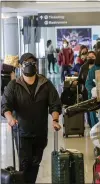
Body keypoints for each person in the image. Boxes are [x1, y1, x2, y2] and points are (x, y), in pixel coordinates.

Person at [1, 53, 62, 184]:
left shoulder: (45, 84)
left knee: (35, 163)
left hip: (40, 131)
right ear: (21, 67)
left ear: (37, 66)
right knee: (25, 164)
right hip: (22, 132)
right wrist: (10, 118)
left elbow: (55, 104)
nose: (29, 66)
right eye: (26, 63)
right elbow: (5, 105)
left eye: (32, 63)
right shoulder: (14, 85)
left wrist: (55, 120)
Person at [76, 51, 96, 128]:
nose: (90, 59)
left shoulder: (98, 67)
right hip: (86, 91)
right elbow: (80, 79)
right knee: (88, 108)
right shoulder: (83, 67)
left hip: (96, 91)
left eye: (92, 57)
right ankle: (91, 123)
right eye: (89, 57)